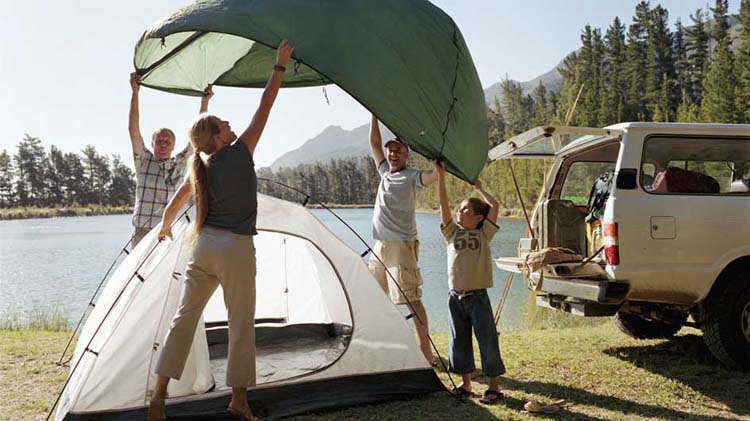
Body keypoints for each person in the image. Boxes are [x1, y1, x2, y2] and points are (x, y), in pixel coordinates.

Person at [147, 40, 294, 421]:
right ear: (217, 137)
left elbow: (172, 207)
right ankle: (239, 401)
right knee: (240, 323)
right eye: (224, 124)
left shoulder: (198, 167)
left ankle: (159, 393)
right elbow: (266, 105)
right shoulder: (241, 150)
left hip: (204, 247)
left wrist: (164, 228)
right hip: (235, 248)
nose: (231, 125)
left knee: (185, 318)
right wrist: (278, 67)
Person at [367, 114, 438, 364]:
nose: (392, 154)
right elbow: (374, 144)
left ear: (406, 154)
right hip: (380, 246)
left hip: (401, 247)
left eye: (397, 151)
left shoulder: (412, 176)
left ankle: (426, 352)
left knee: (411, 299)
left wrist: (439, 169)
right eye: (390, 151)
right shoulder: (385, 171)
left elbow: (432, 177)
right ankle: (381, 345)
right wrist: (374, 115)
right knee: (373, 296)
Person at [434, 160, 506, 404]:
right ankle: (466, 385)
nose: (458, 211)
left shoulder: (483, 233)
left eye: (464, 209)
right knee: (459, 341)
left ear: (477, 217)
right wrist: (441, 178)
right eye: (460, 208)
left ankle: (494, 387)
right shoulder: (452, 233)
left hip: (477, 297)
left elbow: (494, 205)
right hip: (455, 297)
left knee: (487, 339)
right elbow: (443, 207)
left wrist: (479, 187)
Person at [128, 72, 213, 246]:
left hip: (170, 231)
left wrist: (205, 102)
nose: (163, 144)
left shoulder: (180, 163)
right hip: (143, 232)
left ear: (174, 146)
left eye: (168, 141)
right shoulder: (143, 161)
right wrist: (135, 93)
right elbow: (133, 129)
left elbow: (198, 135)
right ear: (152, 144)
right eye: (159, 141)